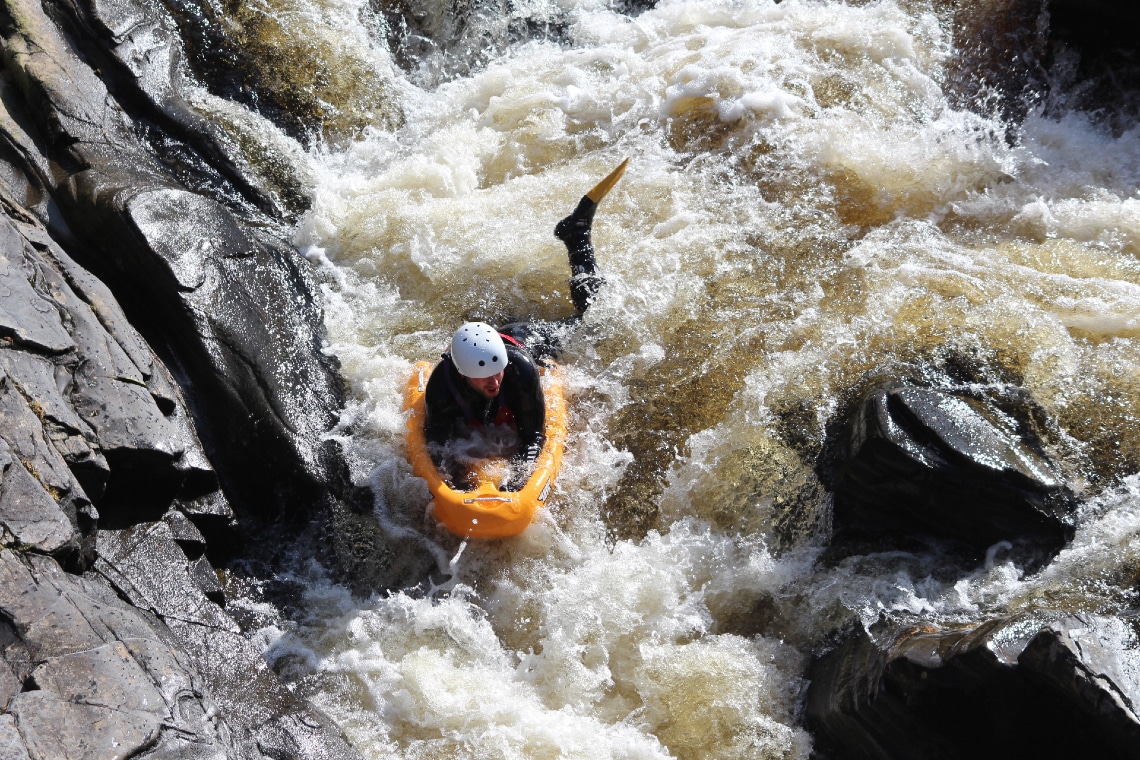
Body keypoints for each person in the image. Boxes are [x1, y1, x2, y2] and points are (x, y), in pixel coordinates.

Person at [423, 160, 624, 485]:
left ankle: (577, 235)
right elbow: (437, 448)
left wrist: (518, 478)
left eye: (496, 371)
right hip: (493, 342)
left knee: (598, 321)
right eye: (484, 376)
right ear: (462, 374)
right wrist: (458, 484)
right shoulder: (441, 388)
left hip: (530, 341)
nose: (494, 382)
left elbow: (533, 437)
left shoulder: (518, 370)